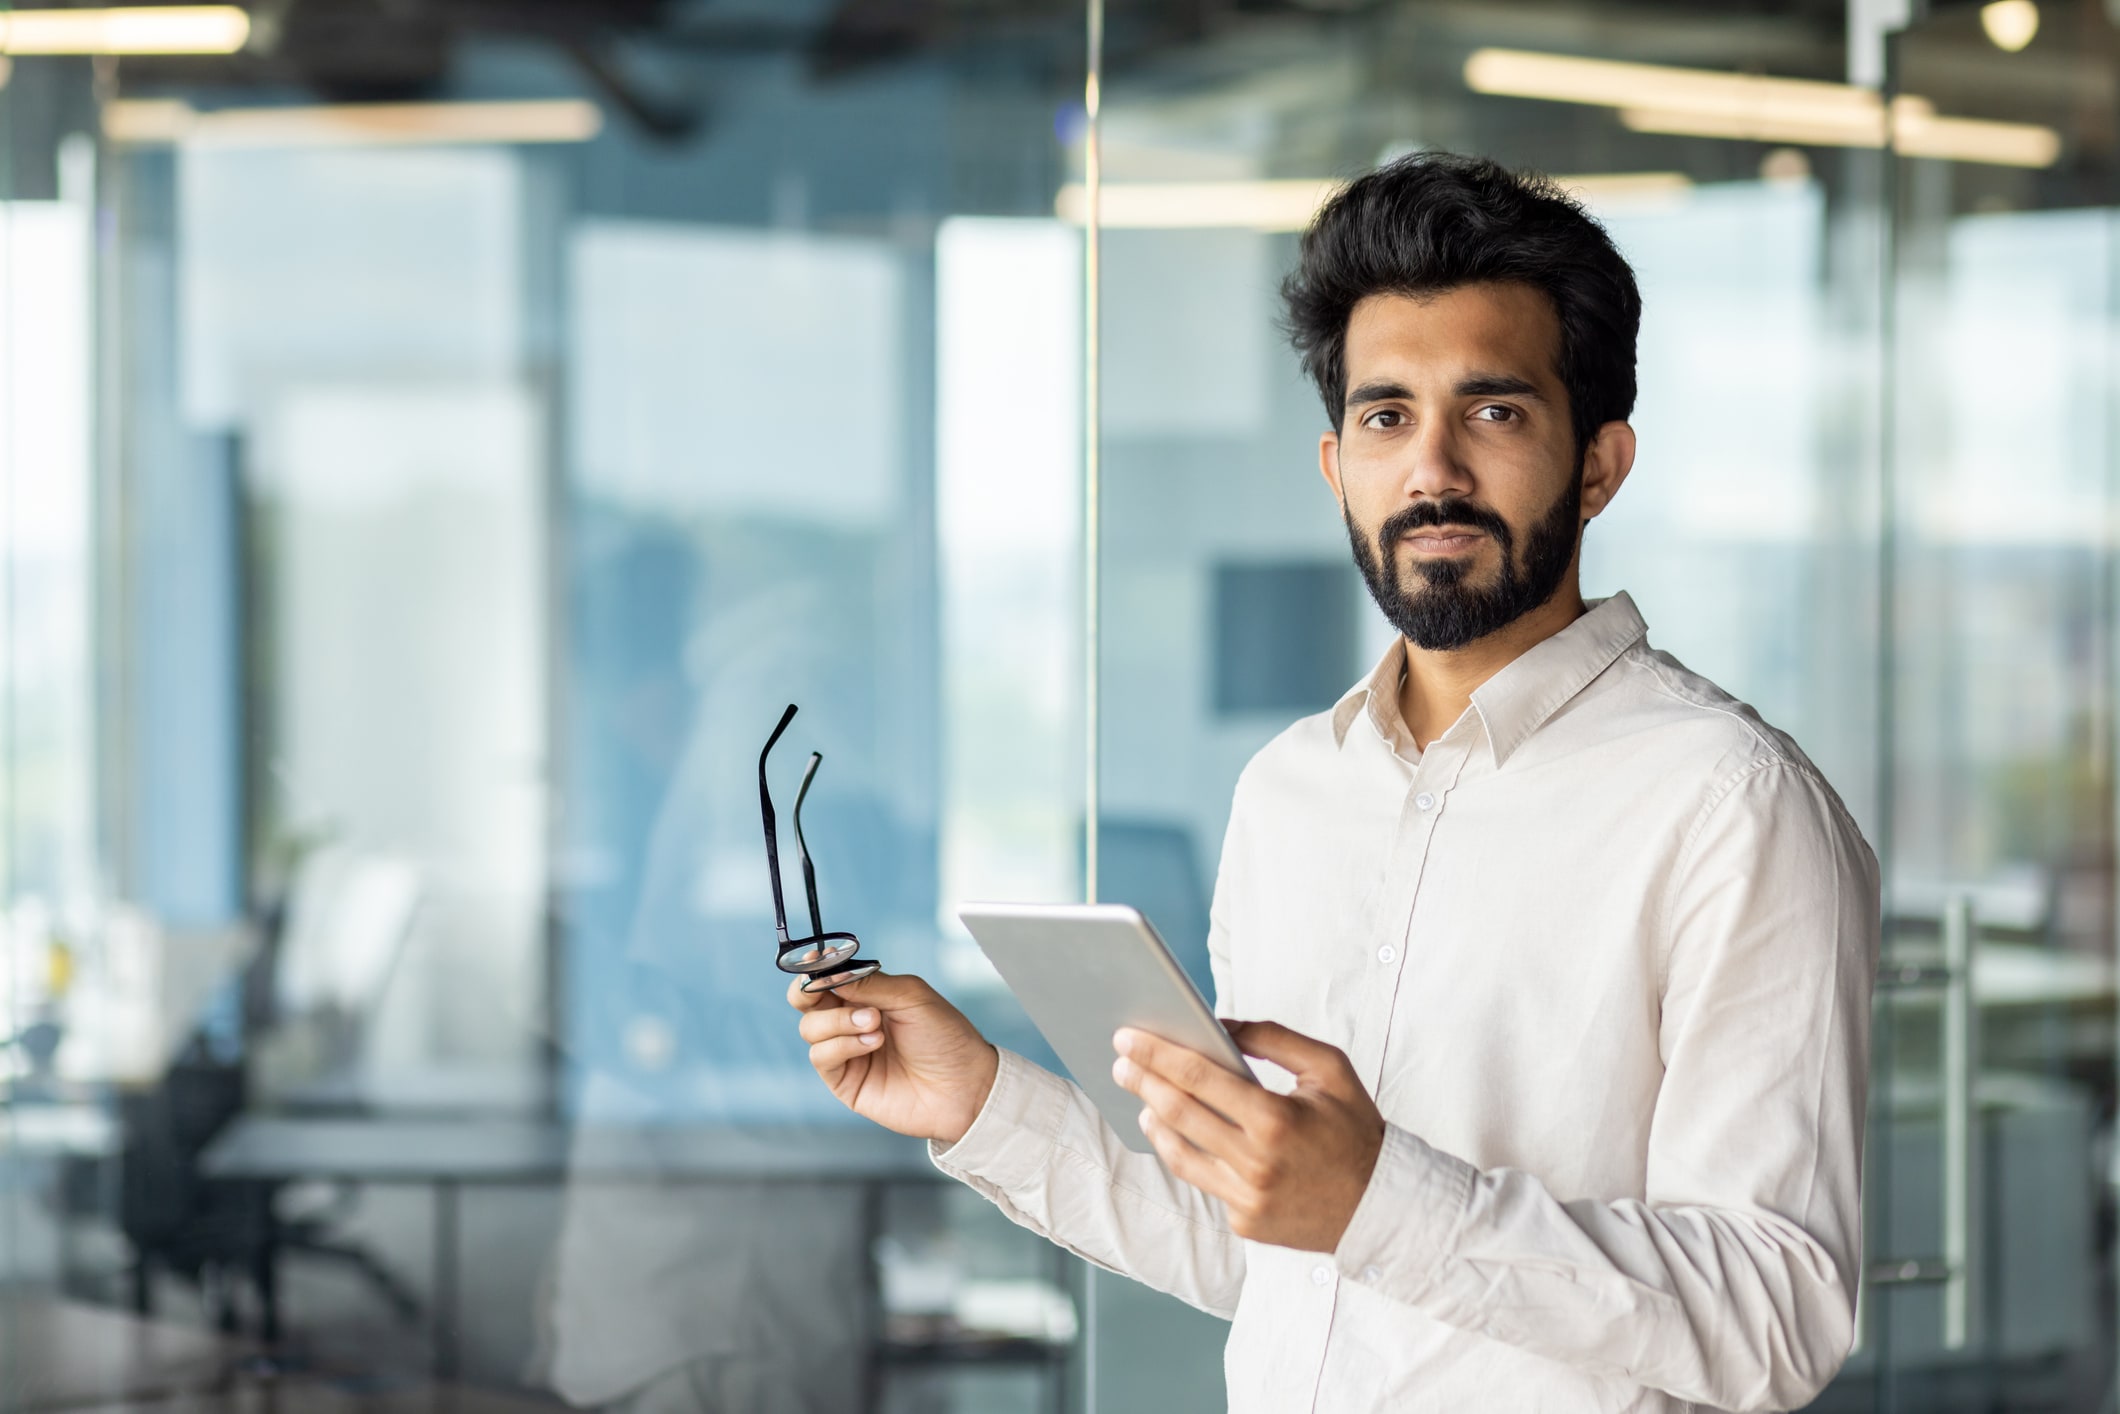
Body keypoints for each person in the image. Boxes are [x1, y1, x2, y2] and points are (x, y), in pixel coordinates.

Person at [789, 152, 1879, 1412]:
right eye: (1385, 417)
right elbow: (1261, 1247)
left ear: (1598, 463)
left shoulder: (1729, 805)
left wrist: (1382, 1203)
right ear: (1334, 465)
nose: (1432, 471)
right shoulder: (1289, 791)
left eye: (1494, 411)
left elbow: (1778, 1313)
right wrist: (980, 1100)